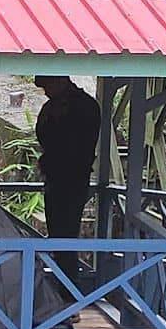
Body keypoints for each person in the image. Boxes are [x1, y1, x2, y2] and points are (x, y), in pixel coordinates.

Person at [34, 76, 101, 244]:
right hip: (58, 176)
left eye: (47, 86)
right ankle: (63, 267)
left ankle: (65, 269)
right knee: (59, 234)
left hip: (72, 177)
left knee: (65, 235)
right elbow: (42, 135)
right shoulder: (55, 106)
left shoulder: (83, 107)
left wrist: (57, 122)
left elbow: (76, 144)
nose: (46, 92)